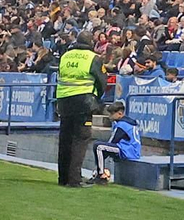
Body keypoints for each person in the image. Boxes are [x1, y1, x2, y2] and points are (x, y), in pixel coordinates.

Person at [54, 32, 106, 188]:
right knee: (80, 140)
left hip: (64, 102)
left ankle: (63, 178)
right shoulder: (93, 58)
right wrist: (96, 99)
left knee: (65, 140)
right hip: (83, 103)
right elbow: (102, 82)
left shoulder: (66, 56)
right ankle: (75, 180)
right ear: (91, 42)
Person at [92, 102, 142, 183]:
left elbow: (112, 141)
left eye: (111, 114)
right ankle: (99, 172)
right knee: (100, 147)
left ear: (120, 113)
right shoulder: (128, 122)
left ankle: (100, 175)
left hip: (128, 150)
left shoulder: (122, 125)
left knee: (98, 146)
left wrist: (100, 159)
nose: (109, 116)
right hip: (130, 149)